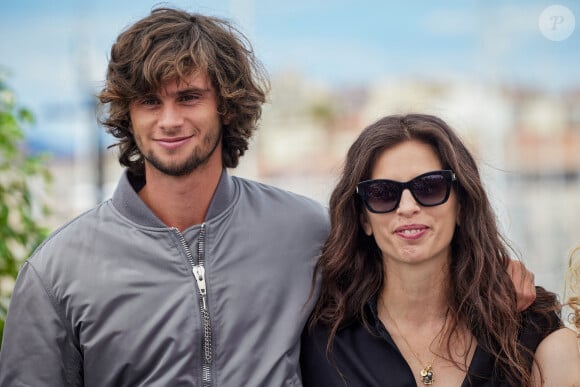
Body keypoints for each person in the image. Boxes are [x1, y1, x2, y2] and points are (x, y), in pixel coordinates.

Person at [0, 8, 535, 387]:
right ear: (128, 115)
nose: (168, 120)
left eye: (189, 97)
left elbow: (410, 273)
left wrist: (495, 286)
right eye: (147, 101)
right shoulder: (56, 273)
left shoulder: (306, 231)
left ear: (226, 107)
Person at [300, 113, 580, 386]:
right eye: (383, 193)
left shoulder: (528, 330)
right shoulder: (324, 340)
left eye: (430, 187)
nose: (407, 207)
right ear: (364, 218)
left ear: (461, 206)